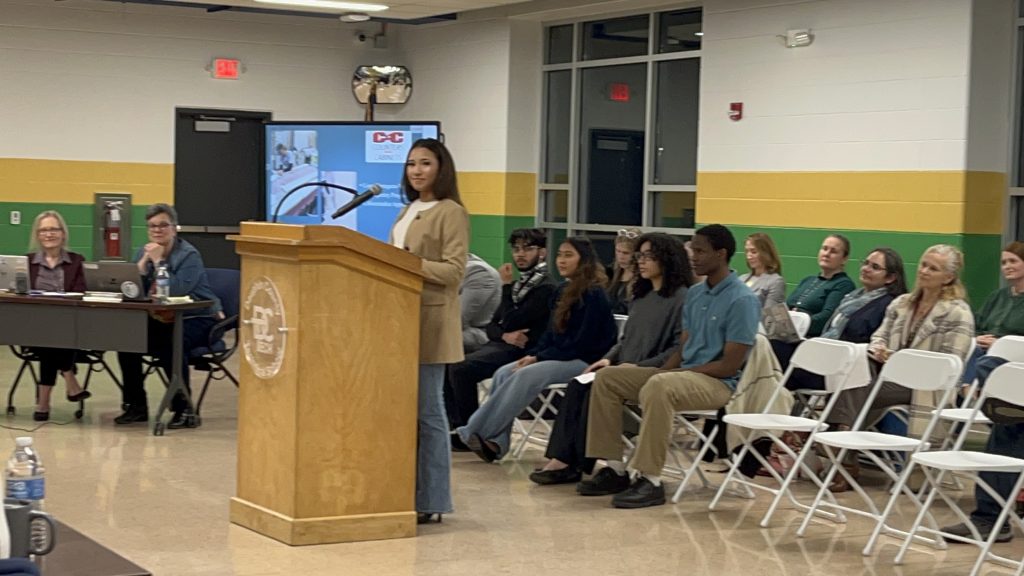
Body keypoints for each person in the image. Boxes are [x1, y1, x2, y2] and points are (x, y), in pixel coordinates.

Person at [581, 224, 760, 509]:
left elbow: (729, 365)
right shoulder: (697, 294)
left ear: (721, 254)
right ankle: (614, 468)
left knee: (660, 385)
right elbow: (683, 348)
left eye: (700, 251)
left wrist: (672, 375)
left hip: (718, 384)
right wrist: (664, 370)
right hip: (682, 376)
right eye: (692, 250)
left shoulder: (742, 299)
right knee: (608, 378)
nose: (693, 256)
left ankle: (650, 479)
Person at [529, 233, 693, 485]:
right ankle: (564, 460)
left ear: (667, 259)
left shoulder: (682, 299)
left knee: (595, 389)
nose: (641, 261)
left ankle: (590, 464)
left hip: (651, 372)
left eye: (648, 256)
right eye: (639, 256)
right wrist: (608, 358)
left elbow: (676, 349)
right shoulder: (641, 295)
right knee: (577, 386)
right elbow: (624, 340)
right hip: (621, 368)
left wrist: (638, 366)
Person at [455, 236, 617, 463]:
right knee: (504, 372)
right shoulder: (562, 290)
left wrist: (540, 358)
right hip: (557, 356)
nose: (561, 261)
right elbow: (550, 334)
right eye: (559, 255)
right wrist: (534, 355)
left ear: (584, 260)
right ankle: (495, 443)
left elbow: (582, 343)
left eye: (568, 255)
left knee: (526, 374)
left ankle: (472, 430)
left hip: (585, 360)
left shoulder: (593, 294)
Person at [826, 244, 974, 492]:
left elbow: (952, 363)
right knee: (852, 375)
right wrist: (879, 348)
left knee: (853, 386)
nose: (924, 271)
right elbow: (879, 336)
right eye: (923, 265)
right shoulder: (902, 303)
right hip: (889, 375)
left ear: (948, 277)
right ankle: (843, 450)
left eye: (933, 268)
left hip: (927, 384)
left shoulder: (958, 313)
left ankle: (840, 450)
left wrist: (904, 360)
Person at [389, 138, 469, 525]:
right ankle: (405, 490)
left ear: (441, 168)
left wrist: (409, 263)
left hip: (431, 321)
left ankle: (433, 497)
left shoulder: (451, 212)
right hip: (399, 320)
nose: (416, 171)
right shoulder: (408, 209)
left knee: (429, 412)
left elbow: (454, 271)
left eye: (425, 163)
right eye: (411, 164)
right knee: (406, 413)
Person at [116, 204, 222, 429]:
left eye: (163, 225)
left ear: (174, 228)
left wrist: (158, 263)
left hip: (198, 317)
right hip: (163, 318)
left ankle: (184, 409)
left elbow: (176, 291)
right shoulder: (143, 251)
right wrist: (141, 265)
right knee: (127, 342)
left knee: (171, 342)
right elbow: (133, 291)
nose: (157, 230)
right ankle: (136, 406)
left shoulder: (188, 255)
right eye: (152, 226)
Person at [445, 229, 557, 434]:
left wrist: (505, 287)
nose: (520, 254)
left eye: (527, 249)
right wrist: (504, 334)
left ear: (542, 252)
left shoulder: (545, 287)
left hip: (524, 350)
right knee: (449, 360)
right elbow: (493, 326)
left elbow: (513, 319)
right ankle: (454, 426)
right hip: (502, 344)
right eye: (516, 249)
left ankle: (470, 430)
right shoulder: (519, 285)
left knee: (461, 368)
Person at [776, 247, 908, 390]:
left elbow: (864, 341)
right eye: (866, 263)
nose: (866, 269)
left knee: (777, 352)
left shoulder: (888, 304)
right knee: (774, 346)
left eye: (875, 267)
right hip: (825, 355)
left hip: (842, 370)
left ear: (890, 278)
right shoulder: (852, 297)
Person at [24, 211, 91, 421]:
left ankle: (43, 403)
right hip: (32, 326)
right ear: (37, 235)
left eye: (54, 229)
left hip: (68, 325)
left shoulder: (77, 261)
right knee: (49, 336)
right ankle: (69, 377)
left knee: (53, 338)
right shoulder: (26, 262)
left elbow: (80, 292)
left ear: (63, 233)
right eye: (44, 230)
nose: (49, 234)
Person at [960, 241, 1024, 384]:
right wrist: (977, 338)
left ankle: (967, 390)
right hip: (982, 351)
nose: (1007, 266)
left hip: (1012, 359)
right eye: (1004, 263)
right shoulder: (997, 296)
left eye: (1013, 261)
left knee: (981, 365)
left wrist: (1000, 345)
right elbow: (975, 325)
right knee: (960, 357)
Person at [785, 234, 856, 337]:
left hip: (809, 337)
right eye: (824, 249)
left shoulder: (843, 284)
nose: (826, 254)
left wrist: (795, 324)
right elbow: (786, 306)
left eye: (833, 251)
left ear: (844, 259)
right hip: (787, 333)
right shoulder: (808, 280)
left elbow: (826, 318)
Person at [460, 254, 501, 354]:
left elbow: (458, 320)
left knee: (429, 333)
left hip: (476, 333)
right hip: (460, 329)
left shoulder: (478, 272)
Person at [739, 232, 785, 310]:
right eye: (747, 251)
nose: (748, 256)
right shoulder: (741, 278)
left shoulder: (775, 281)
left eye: (753, 252)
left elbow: (769, 314)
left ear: (765, 253)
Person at [607, 228, 640, 315]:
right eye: (618, 251)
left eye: (626, 253)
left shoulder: (643, 279)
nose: (621, 257)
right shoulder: (610, 273)